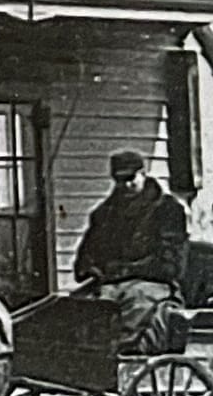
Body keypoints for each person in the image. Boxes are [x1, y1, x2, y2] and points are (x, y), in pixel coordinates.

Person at [75, 149, 189, 354]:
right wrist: (91, 269)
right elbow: (86, 255)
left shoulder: (167, 210)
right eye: (120, 180)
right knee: (84, 306)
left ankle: (123, 358)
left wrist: (122, 271)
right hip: (112, 284)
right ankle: (86, 360)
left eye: (130, 179)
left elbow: (170, 266)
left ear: (143, 173)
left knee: (133, 301)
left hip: (155, 284)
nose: (126, 185)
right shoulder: (104, 214)